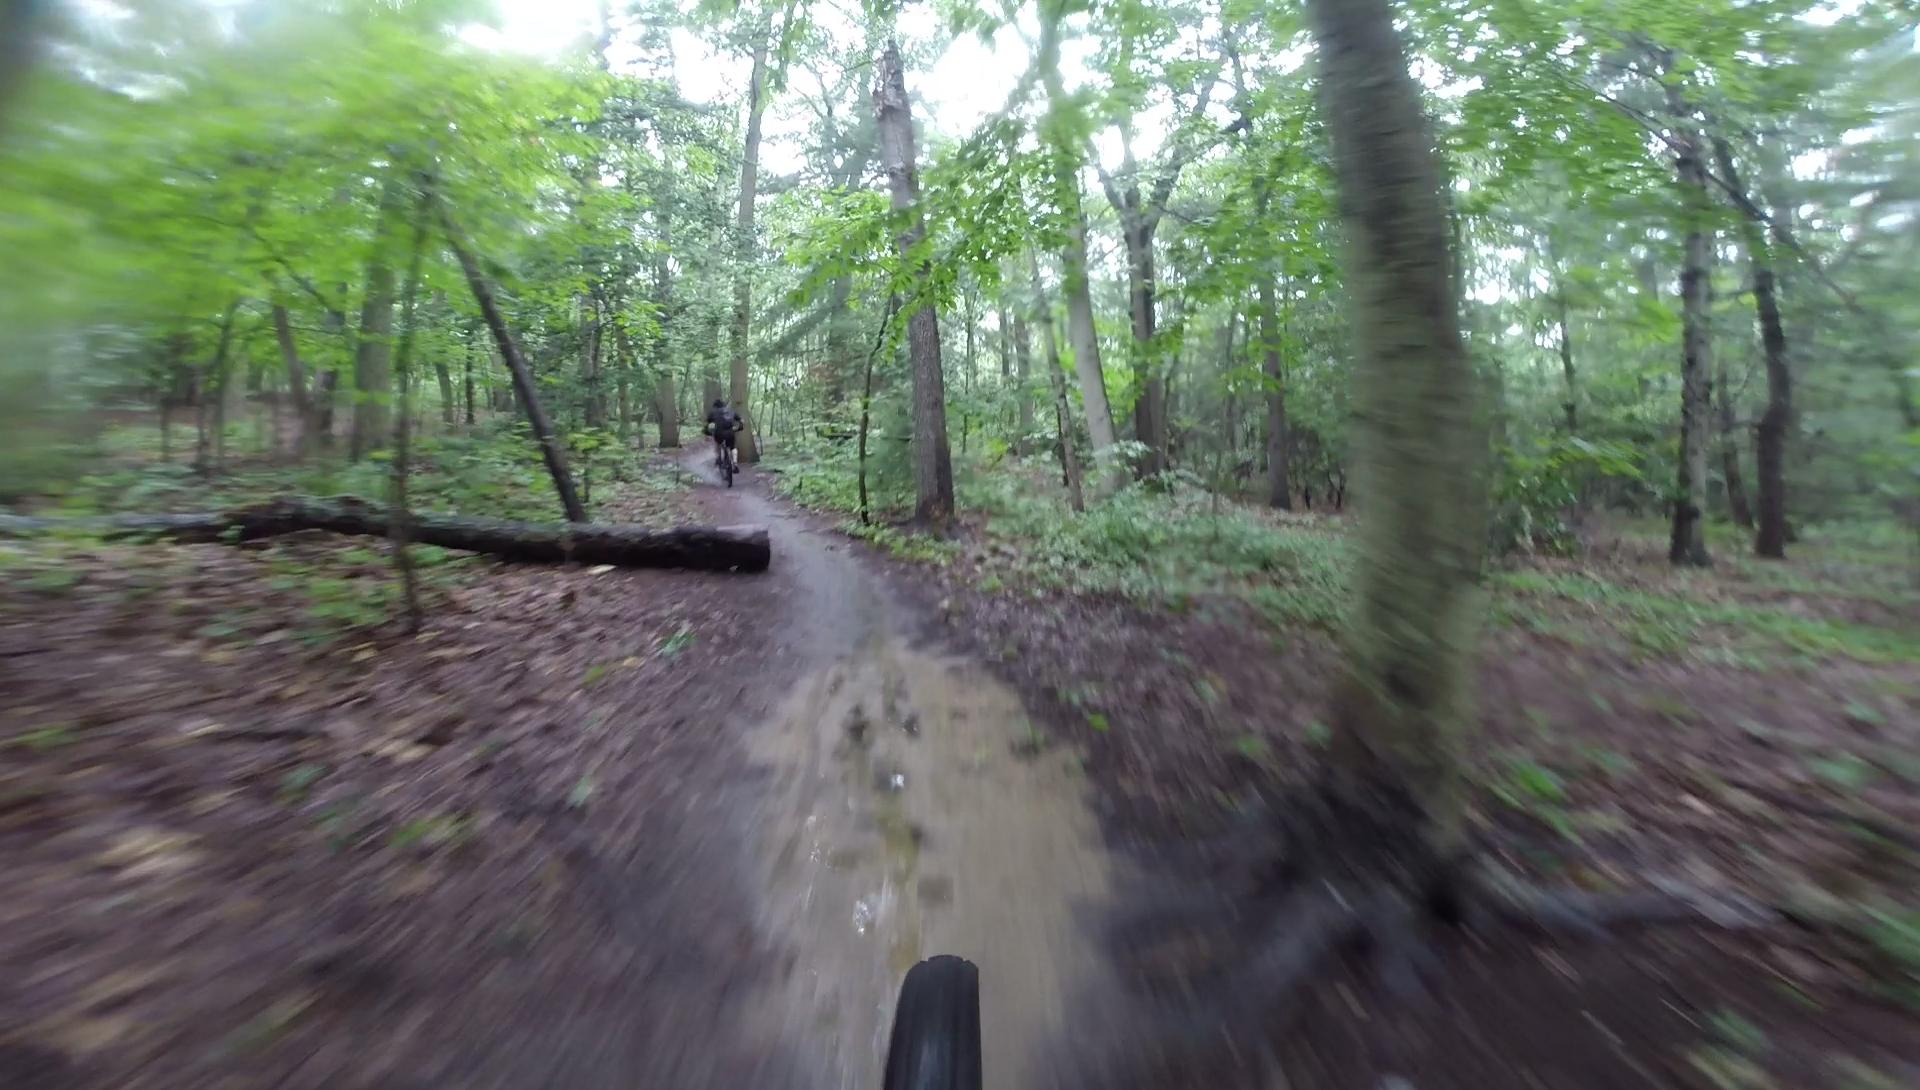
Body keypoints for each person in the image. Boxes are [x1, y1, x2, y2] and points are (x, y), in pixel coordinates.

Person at [705, 397, 742, 473]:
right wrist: (740, 427)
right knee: (733, 447)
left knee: (718, 443)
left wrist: (707, 431)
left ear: (715, 406)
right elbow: (741, 420)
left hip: (718, 433)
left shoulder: (713, 412)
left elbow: (708, 423)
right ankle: (735, 463)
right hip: (730, 432)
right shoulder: (730, 411)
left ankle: (718, 458)